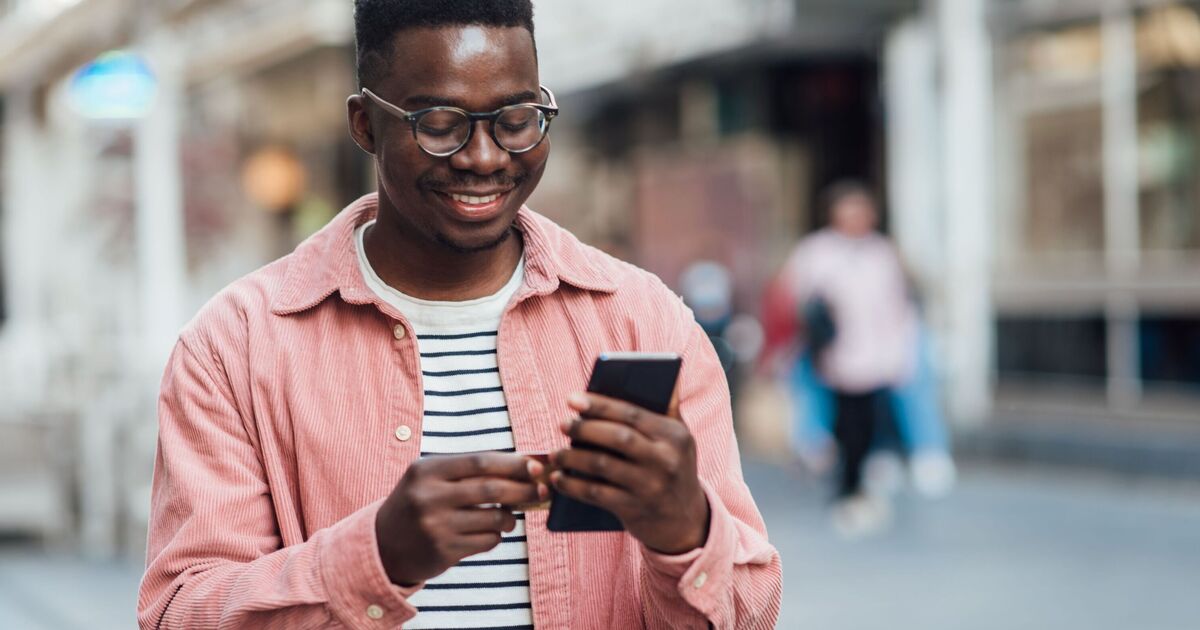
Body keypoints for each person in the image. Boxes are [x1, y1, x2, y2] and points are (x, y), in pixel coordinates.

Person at [136, 2, 782, 628]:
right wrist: (374, 557)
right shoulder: (235, 348)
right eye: (440, 124)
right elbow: (179, 613)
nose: (485, 157)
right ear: (365, 124)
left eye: (517, 118)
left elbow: (752, 609)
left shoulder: (646, 323)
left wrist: (685, 533)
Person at [770, 181, 949, 536]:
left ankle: (866, 478)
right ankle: (846, 486)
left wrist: (900, 352)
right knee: (844, 422)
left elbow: (898, 307)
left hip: (878, 357)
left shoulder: (882, 254)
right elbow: (794, 299)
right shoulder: (816, 252)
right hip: (834, 357)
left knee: (870, 422)